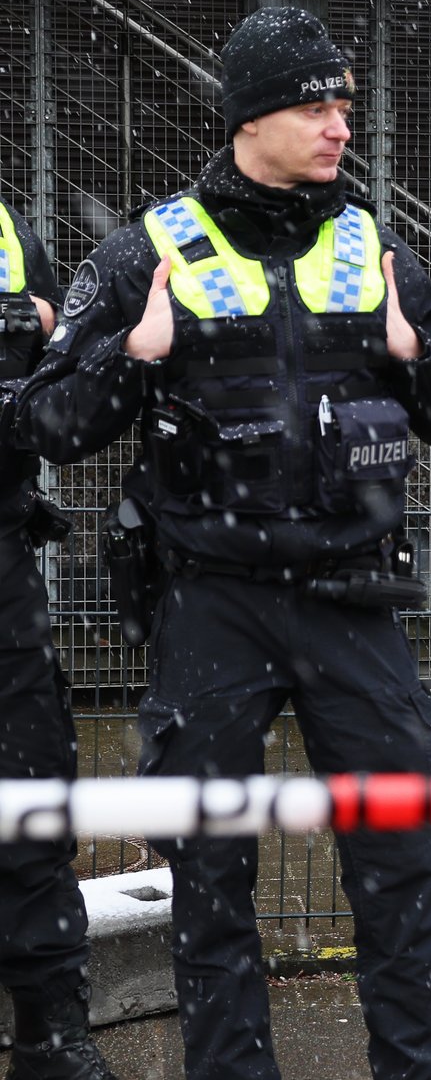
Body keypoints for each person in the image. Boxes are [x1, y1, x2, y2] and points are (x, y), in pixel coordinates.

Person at [18, 7, 431, 1080]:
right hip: (210, 599)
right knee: (206, 871)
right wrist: (134, 355)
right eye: (314, 104)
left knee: (405, 852)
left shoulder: (377, 246)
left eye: (344, 105)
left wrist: (411, 348)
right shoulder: (151, 248)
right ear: (248, 118)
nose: (337, 126)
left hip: (353, 595)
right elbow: (43, 420)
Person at [0, 195, 118, 1080]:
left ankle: (49, 1033)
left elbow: (41, 393)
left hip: (2, 559)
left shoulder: (10, 233)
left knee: (35, 793)